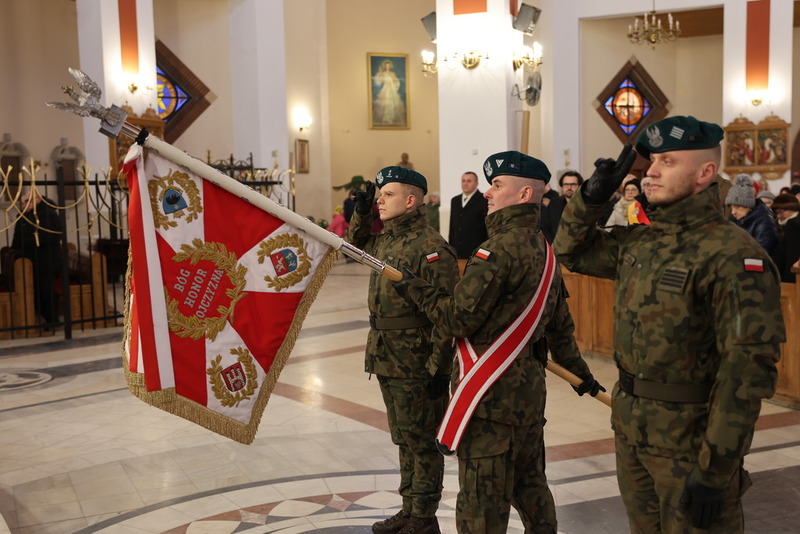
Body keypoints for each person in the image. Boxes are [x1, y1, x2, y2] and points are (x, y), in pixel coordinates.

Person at [554, 116, 785, 534]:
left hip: (691, 441)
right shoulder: (641, 242)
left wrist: (716, 469)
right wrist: (593, 194)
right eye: (653, 161)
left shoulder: (732, 254)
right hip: (632, 430)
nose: (652, 171)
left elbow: (746, 375)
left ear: (705, 173)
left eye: (668, 161)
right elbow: (570, 251)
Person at [393, 151, 606, 534]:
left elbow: (458, 319)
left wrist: (415, 288)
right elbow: (561, 328)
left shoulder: (496, 252)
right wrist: (582, 376)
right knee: (532, 487)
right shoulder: (546, 249)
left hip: (489, 399)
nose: (489, 194)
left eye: (497, 185)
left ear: (525, 194)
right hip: (528, 394)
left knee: (481, 503)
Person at [347, 166, 458, 534]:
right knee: (404, 437)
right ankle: (410, 508)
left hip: (417, 359)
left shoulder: (431, 247)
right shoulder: (386, 241)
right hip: (386, 354)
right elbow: (356, 246)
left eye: (387, 194)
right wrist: (362, 212)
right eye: (378, 194)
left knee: (422, 440)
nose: (380, 199)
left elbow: (445, 314)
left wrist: (439, 369)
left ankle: (424, 517)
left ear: (411, 201)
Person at [11, 190, 64, 325]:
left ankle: (52, 320)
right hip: (31, 260)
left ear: (37, 200)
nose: (22, 205)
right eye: (22, 202)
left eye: (26, 202)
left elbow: (51, 235)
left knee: (46, 290)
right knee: (36, 290)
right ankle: (40, 317)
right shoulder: (26, 216)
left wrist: (28, 242)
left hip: (47, 260)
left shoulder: (48, 214)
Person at [725, 174, 778, 254]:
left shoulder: (764, 221)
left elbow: (763, 252)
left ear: (748, 205)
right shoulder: (734, 219)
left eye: (737, 207)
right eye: (731, 207)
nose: (733, 212)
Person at [449, 171, 488, 276]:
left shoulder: (484, 200)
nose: (465, 183)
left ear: (476, 183)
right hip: (458, 250)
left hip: (475, 250)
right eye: (463, 181)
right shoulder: (455, 200)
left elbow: (487, 227)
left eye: (469, 181)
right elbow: (452, 227)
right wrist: (451, 248)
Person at [540, 170, 583, 243]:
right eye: (566, 184)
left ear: (579, 186)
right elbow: (545, 227)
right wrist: (553, 245)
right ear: (562, 187)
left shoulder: (586, 204)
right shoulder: (554, 203)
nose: (569, 187)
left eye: (573, 184)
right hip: (556, 248)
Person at [372, 59, 406, 127]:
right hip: (386, 89)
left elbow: (396, 81)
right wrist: (380, 72)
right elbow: (378, 82)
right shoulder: (383, 73)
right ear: (385, 66)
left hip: (392, 89)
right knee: (386, 103)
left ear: (390, 66)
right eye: (386, 66)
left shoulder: (392, 73)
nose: (388, 67)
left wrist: (395, 84)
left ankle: (391, 118)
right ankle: (386, 119)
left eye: (389, 66)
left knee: (393, 103)